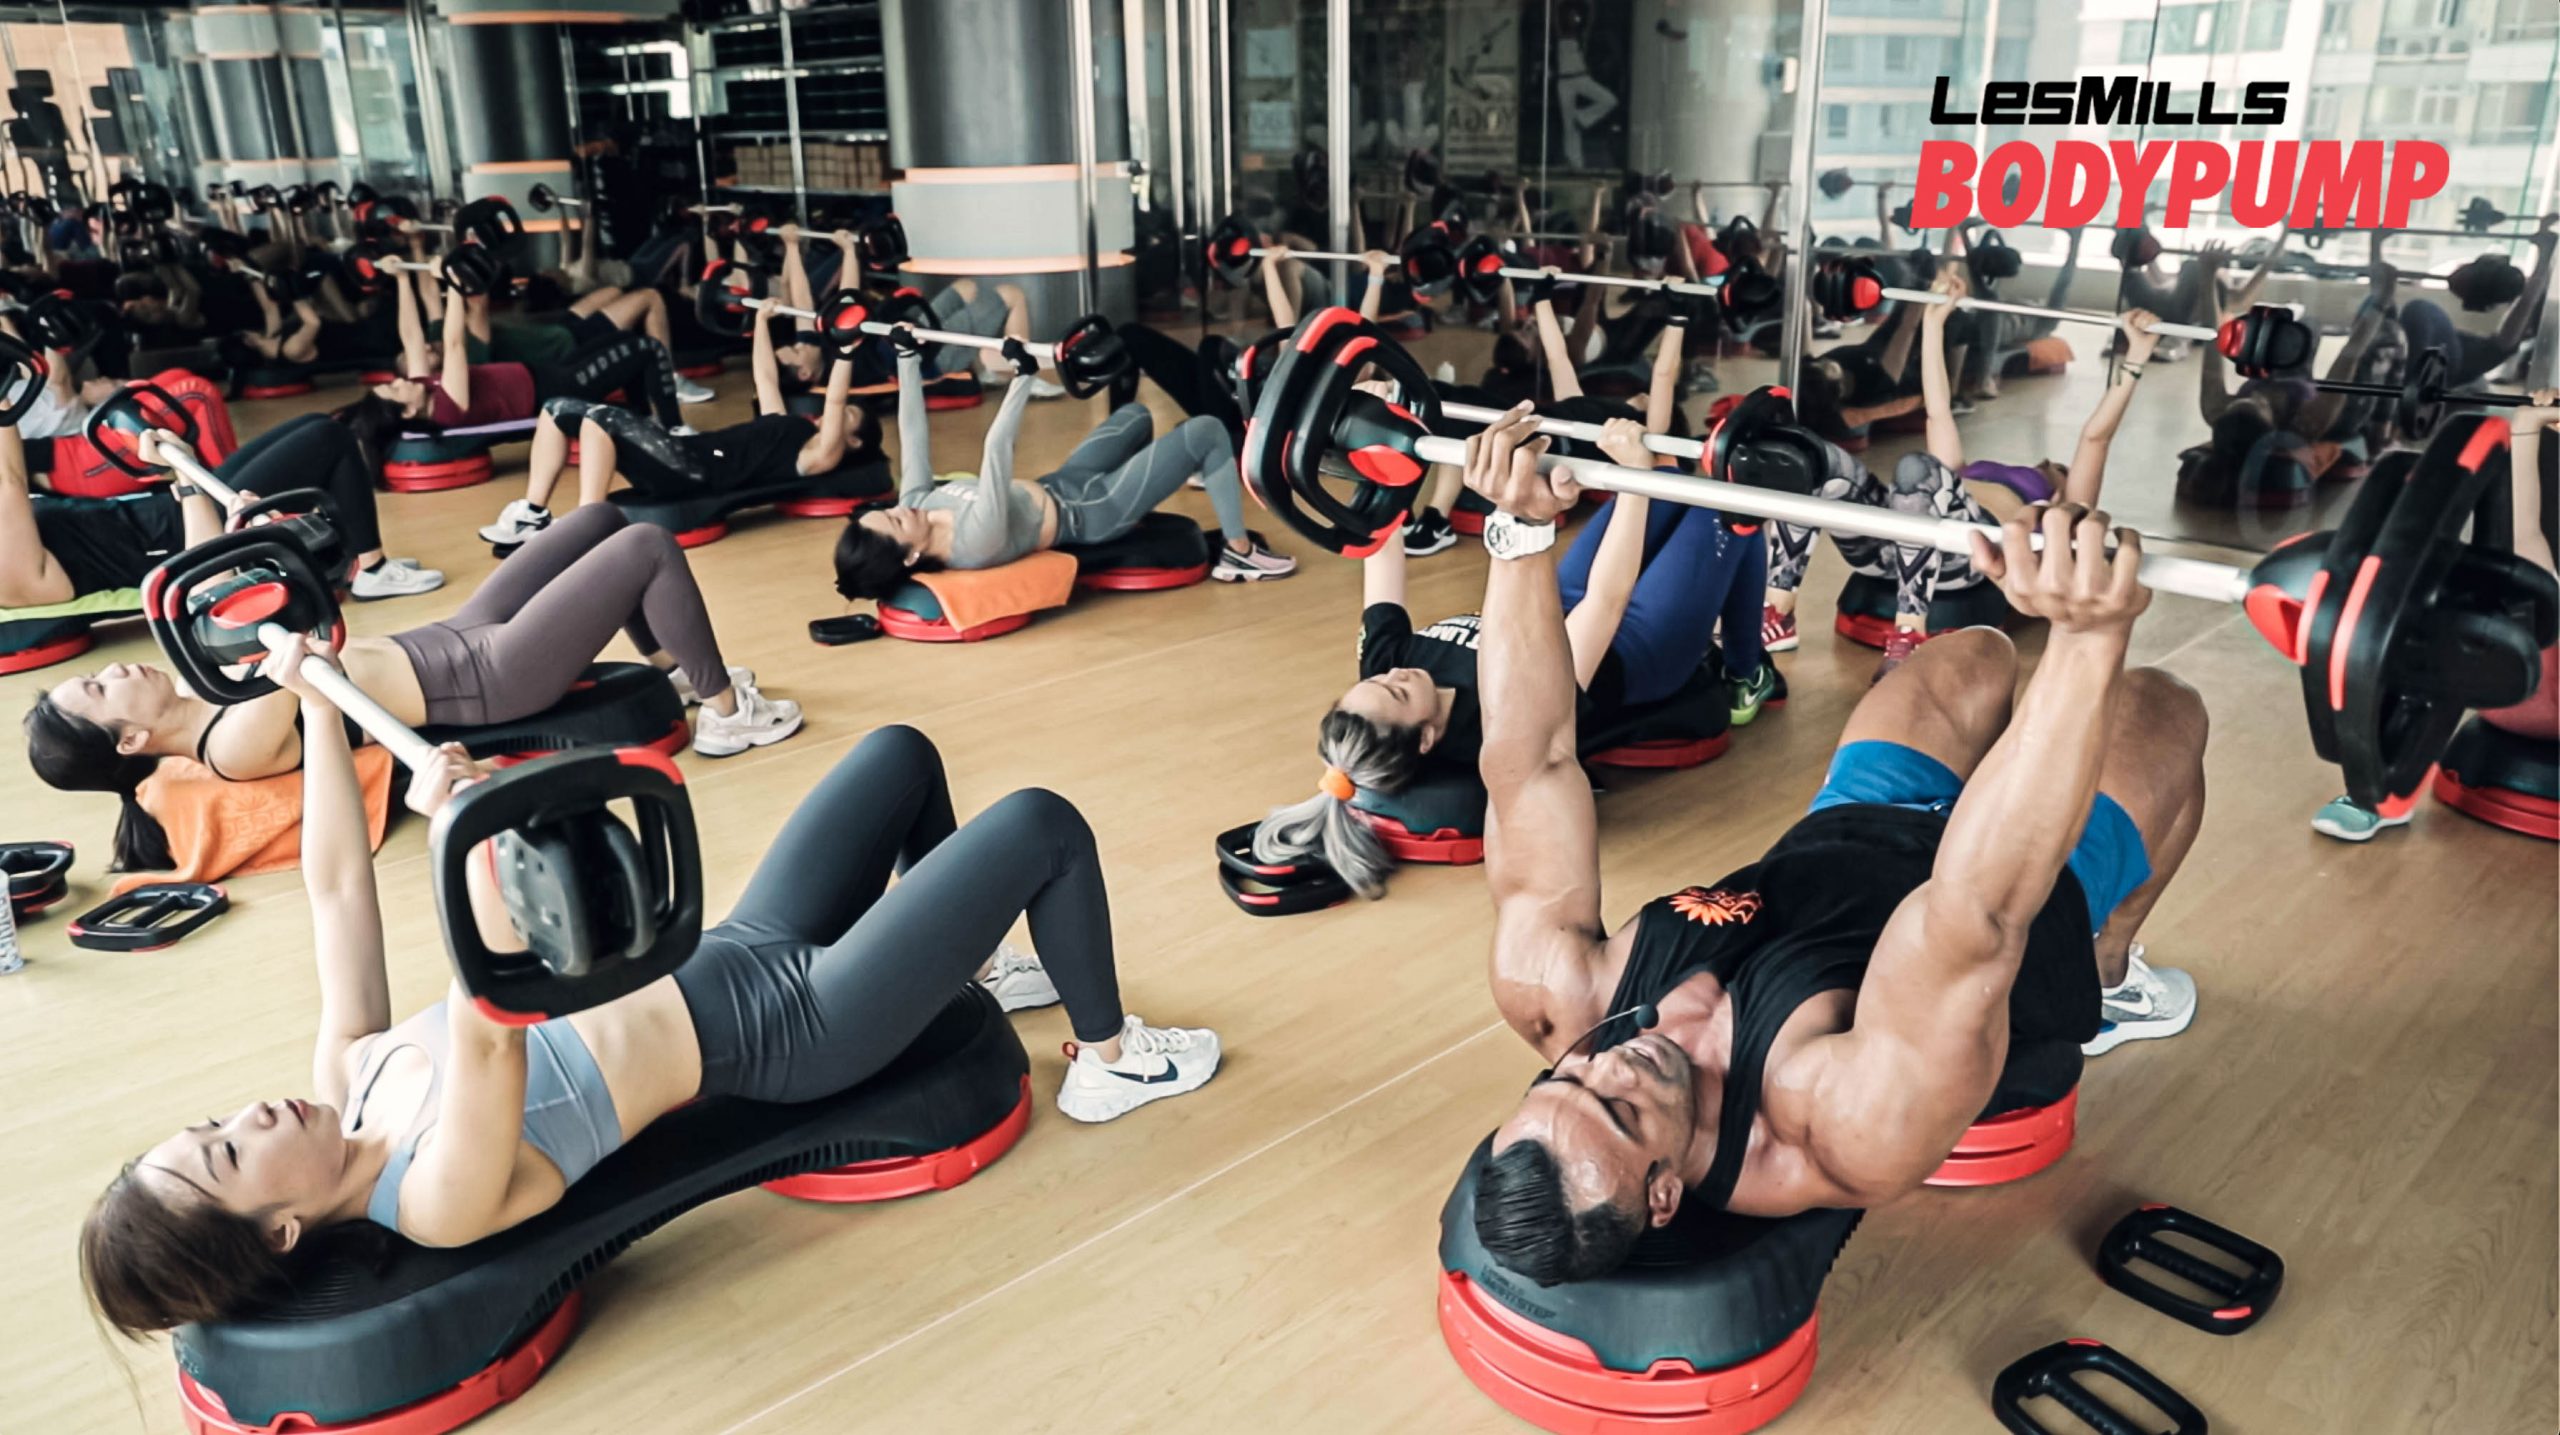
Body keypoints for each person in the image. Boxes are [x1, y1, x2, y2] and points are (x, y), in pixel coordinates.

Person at [78, 670, 1221, 1338]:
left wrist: (316, 699)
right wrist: (462, 826)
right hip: (795, 1028)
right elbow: (497, 1009)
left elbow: (334, 891)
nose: (250, 1116)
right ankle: (1111, 1055)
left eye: (214, 1122)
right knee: (1037, 824)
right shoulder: (433, 1197)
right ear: (279, 1232)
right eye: (230, 1154)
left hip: (741, 944)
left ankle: (964, 967)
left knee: (899, 752)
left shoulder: (352, 1078)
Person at [1453, 407, 2203, 1284]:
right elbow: (1974, 912)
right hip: (2018, 905)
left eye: (1565, 1083)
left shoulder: (1559, 999)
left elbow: (1529, 765)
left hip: (1848, 834)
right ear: (1662, 1195)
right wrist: (2087, 636)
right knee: (2161, 704)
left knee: (1978, 652)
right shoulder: (1838, 1121)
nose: (1606, 1064)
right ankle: (2111, 967)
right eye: (1619, 1111)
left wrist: (1519, 534)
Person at [1254, 309, 1774, 897]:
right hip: (1637, 646)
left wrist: (1371, 449)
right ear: (1427, 737)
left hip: (1563, 595)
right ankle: (1742, 671)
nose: (1397, 671)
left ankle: (1743, 654)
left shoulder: (1385, 668)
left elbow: (1381, 543)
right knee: (1725, 499)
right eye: (1400, 690)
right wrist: (1631, 477)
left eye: (1375, 679)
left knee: (1678, 472)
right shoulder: (1504, 721)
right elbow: (1607, 603)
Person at [26, 495, 800, 872]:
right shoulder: (228, 744)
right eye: (97, 691)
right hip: (489, 677)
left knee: (599, 518)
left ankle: (673, 666)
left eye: (93, 674)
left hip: (451, 633)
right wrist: (261, 566)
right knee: (647, 546)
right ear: (129, 739)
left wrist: (226, 522)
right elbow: (290, 652)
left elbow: (210, 590)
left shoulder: (204, 685)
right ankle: (728, 712)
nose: (113, 670)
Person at [831, 324, 1296, 596]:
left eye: (887, 510)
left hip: (1064, 482)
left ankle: (1192, 467)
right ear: (911, 555)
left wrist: (907, 357)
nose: (899, 508)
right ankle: (1239, 552)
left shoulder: (917, 503)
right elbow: (997, 454)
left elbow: (913, 436)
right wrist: (1022, 379)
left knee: (1136, 415)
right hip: (1093, 512)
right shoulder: (972, 543)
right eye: (894, 522)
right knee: (1208, 430)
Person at [2312, 388, 2560, 841]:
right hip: (2522, 691)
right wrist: (2529, 423)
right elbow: (2522, 536)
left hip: (2525, 691)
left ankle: (2377, 795)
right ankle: (2377, 792)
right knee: (2446, 611)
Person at [477, 280, 875, 545]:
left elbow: (836, 401)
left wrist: (844, 350)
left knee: (601, 419)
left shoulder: (819, 455)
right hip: (679, 453)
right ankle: (533, 512)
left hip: (694, 470)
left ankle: (587, 527)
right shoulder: (786, 426)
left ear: (852, 440)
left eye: (847, 421)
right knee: (556, 408)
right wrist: (761, 322)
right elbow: (766, 380)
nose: (827, 417)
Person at [1762, 265, 2008, 677]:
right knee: (1815, 456)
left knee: (1915, 467)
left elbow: (2094, 442)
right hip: (1887, 548)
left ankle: (1909, 633)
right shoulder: (1956, 469)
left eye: (2049, 470)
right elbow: (1938, 409)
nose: (2047, 467)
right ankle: (1778, 611)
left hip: (1962, 555)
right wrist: (1933, 323)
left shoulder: (2029, 489)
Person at [0, 414, 441, 609]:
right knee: (328, 438)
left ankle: (355, 562)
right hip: (187, 536)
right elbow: (10, 483)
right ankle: (371, 569)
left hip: (172, 507)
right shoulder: (12, 577)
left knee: (313, 424)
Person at [334, 262, 690, 455]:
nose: (398, 381)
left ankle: (644, 421)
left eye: (391, 383)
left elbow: (411, 337)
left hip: (546, 372)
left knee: (625, 341)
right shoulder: (447, 407)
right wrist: (456, 285)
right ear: (409, 411)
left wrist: (399, 279)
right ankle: (674, 430)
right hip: (560, 389)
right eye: (394, 391)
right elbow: (454, 344)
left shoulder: (421, 387)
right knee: (647, 349)